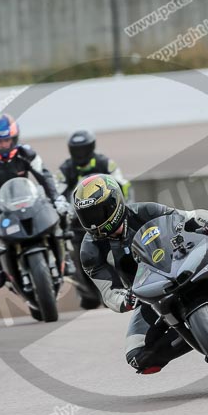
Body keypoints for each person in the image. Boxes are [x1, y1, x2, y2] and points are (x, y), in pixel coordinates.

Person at [73, 174, 208, 375]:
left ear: (115, 203)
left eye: (98, 212)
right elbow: (108, 292)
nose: (94, 221)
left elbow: (186, 217)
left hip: (183, 262)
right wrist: (126, 299)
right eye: (87, 216)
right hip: (149, 294)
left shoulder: (144, 211)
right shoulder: (90, 252)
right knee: (138, 356)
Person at [0, 113, 73, 288]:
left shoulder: (27, 153)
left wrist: (57, 198)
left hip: (27, 197)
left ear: (14, 138)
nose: (3, 145)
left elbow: (45, 176)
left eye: (7, 141)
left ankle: (66, 255)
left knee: (59, 213)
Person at [57, 130, 131, 309]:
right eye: (77, 149)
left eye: (83, 149)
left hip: (108, 217)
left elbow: (123, 184)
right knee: (80, 260)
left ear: (91, 147)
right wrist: (64, 210)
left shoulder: (105, 163)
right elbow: (57, 192)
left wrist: (122, 202)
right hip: (78, 224)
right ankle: (90, 295)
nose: (80, 153)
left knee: (122, 248)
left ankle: (126, 287)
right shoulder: (65, 169)